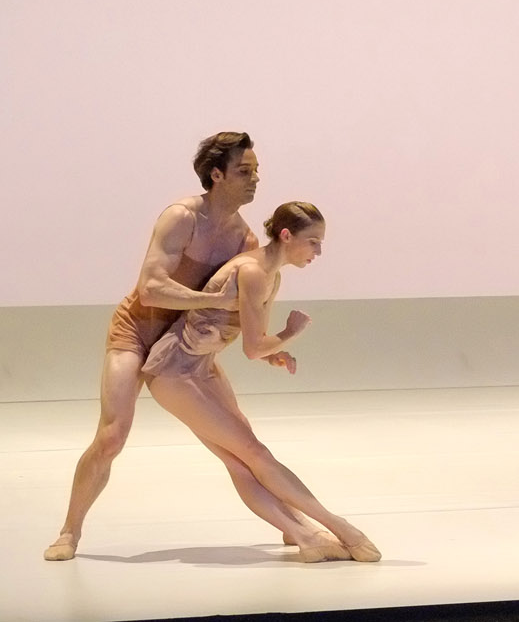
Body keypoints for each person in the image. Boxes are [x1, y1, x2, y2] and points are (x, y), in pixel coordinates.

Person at [45, 133, 266, 561]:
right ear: (216, 175)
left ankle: (291, 523)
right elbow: (150, 290)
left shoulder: (245, 240)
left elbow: (246, 306)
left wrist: (266, 343)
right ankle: (69, 532)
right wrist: (210, 301)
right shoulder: (182, 216)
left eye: (256, 171)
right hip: (136, 333)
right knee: (112, 436)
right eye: (244, 171)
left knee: (240, 437)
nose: (254, 179)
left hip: (182, 344)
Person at [141, 201, 381, 562]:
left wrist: (276, 350)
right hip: (174, 370)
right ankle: (340, 528)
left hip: (200, 366)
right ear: (286, 236)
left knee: (243, 460)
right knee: (253, 454)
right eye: (313, 241)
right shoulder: (253, 271)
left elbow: (257, 341)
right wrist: (289, 333)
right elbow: (254, 347)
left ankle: (302, 532)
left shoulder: (272, 274)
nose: (318, 251)